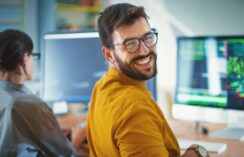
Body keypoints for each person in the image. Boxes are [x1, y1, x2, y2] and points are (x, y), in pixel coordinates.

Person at [86, 3, 209, 157]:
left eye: (147, 37)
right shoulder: (135, 108)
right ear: (109, 55)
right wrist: (197, 152)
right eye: (130, 44)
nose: (144, 50)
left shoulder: (102, 87)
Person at [0, 29, 86, 157]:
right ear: (25, 59)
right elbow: (65, 154)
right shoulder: (26, 103)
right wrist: (76, 141)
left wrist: (49, 132)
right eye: (32, 56)